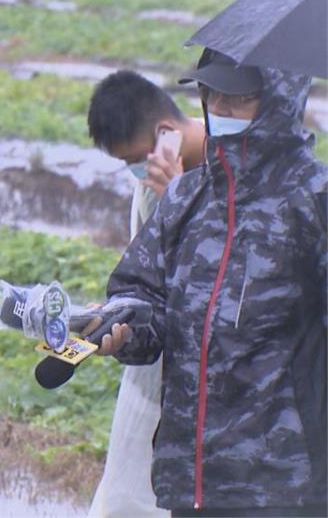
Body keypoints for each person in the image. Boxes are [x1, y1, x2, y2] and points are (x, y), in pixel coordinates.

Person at [90, 49, 327, 517]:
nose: (220, 110)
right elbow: (141, 291)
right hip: (193, 480)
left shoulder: (313, 202)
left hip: (283, 484)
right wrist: (122, 326)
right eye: (212, 94)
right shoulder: (185, 198)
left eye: (238, 100)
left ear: (278, 102)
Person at [85, 70, 206, 518]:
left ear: (166, 133)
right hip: (155, 376)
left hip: (217, 386)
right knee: (128, 499)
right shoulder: (150, 187)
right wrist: (120, 312)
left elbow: (218, 282)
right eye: (126, 163)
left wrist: (178, 198)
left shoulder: (230, 169)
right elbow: (151, 280)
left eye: (137, 158)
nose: (136, 170)